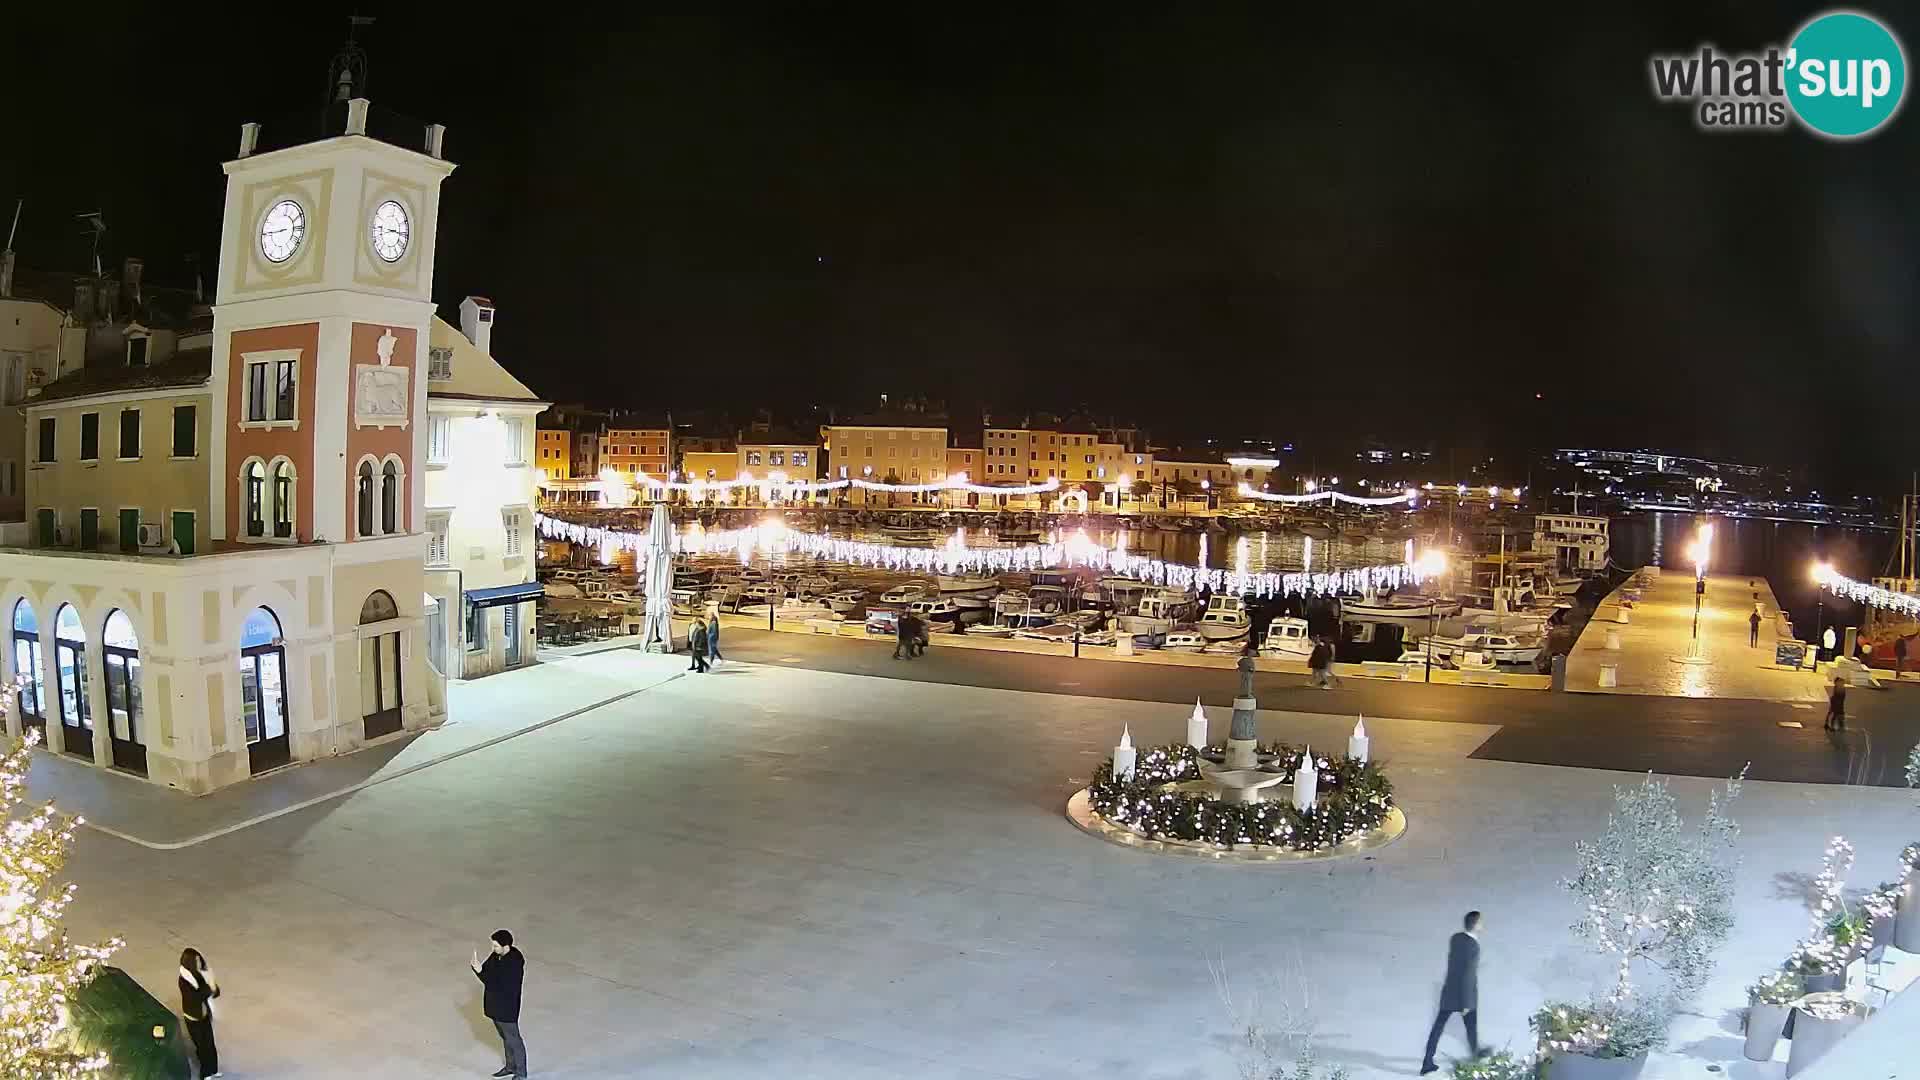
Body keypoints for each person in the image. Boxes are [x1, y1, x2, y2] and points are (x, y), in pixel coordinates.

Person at [1420, 911, 1484, 1075]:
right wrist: (1465, 1003)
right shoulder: (1473, 946)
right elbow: (1467, 974)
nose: (1482, 925)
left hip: (1449, 992)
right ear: (1475, 925)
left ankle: (1427, 1060)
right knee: (1471, 1029)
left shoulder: (1456, 938)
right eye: (1480, 923)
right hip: (1465, 996)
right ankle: (1476, 1060)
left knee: (1438, 1028)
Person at [472, 929, 528, 1080]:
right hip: (495, 1005)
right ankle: (510, 1066)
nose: (493, 949)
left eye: (496, 946)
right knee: (505, 1037)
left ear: (506, 946)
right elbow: (488, 970)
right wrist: (480, 969)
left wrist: (480, 972)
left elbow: (496, 983)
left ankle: (521, 1073)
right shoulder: (497, 955)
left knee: (514, 1039)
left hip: (507, 1007)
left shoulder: (514, 963)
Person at [177, 947, 221, 1079]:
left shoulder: (199, 974)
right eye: (195, 961)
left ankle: (213, 1070)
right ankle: (205, 1074)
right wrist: (210, 988)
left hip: (204, 1015)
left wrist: (214, 988)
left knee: (210, 1045)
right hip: (193, 1019)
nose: (198, 962)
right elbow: (195, 998)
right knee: (202, 1048)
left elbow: (213, 992)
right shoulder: (183, 981)